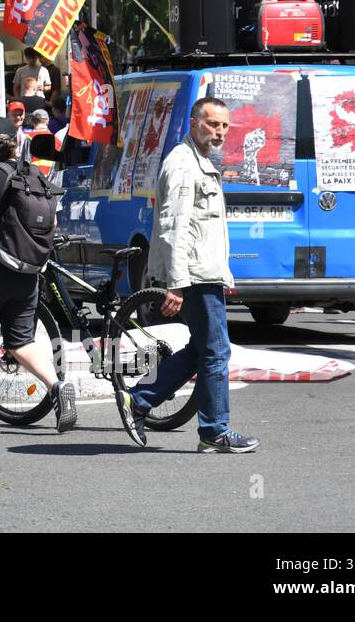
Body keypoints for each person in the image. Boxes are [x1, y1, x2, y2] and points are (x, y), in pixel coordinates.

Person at [127, 97, 259, 453]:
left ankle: (139, 399)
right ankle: (215, 430)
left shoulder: (199, 161)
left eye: (225, 126)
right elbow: (175, 226)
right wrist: (177, 283)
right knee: (216, 352)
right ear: (194, 121)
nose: (219, 132)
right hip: (194, 276)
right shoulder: (184, 164)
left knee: (202, 348)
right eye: (212, 124)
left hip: (204, 273)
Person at [0, 117, 74, 435]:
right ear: (17, 143)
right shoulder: (34, 175)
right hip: (26, 271)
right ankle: (56, 386)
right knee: (21, 342)